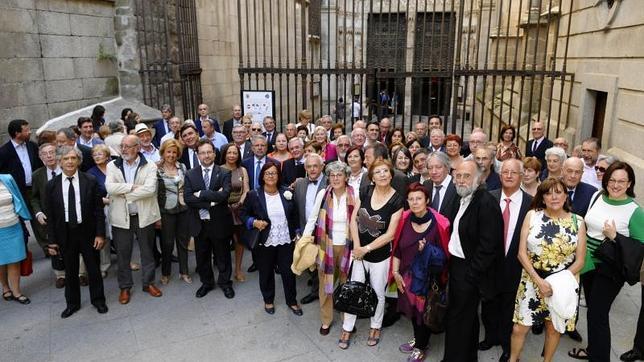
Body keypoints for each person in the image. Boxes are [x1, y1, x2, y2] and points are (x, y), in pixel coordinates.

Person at [569, 162, 644, 362]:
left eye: (622, 181)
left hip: (611, 268)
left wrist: (615, 236)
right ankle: (593, 350)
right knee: (593, 311)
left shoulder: (635, 211)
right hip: (588, 263)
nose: (616, 185)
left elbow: (639, 247)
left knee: (598, 314)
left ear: (629, 184)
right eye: (612, 180)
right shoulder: (597, 196)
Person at [510, 177, 587, 362]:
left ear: (565, 196)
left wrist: (556, 283)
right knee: (519, 328)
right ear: (542, 197)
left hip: (561, 285)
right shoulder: (532, 215)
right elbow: (521, 253)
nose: (553, 197)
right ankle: (513, 359)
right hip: (532, 280)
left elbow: (581, 260)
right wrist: (539, 281)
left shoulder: (578, 221)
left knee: (553, 328)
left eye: (558, 192)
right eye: (548, 193)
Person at [338, 159, 403, 349]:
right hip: (359, 253)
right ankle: (347, 327)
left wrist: (366, 249)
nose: (382, 175)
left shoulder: (397, 200)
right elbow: (353, 220)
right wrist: (358, 247)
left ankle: (375, 326)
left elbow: (390, 234)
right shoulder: (365, 191)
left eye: (385, 171)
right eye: (378, 172)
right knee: (353, 289)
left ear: (391, 174)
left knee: (377, 292)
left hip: (380, 256)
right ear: (372, 177)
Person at [443, 160, 504, 362]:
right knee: (466, 317)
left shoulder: (486, 203)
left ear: (479, 179)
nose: (461, 180)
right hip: (458, 264)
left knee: (458, 318)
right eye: (458, 176)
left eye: (466, 176)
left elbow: (489, 246)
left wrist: (472, 275)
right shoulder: (461, 198)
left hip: (470, 270)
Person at [45, 146, 107, 318]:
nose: (70, 162)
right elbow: (50, 215)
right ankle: (72, 303)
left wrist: (100, 234)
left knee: (94, 269)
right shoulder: (51, 186)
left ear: (79, 161)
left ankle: (98, 300)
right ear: (59, 162)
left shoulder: (90, 180)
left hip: (88, 232)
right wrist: (52, 241)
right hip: (66, 234)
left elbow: (98, 210)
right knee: (70, 271)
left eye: (73, 158)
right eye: (66, 159)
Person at [480, 159, 533, 362]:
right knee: (489, 304)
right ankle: (490, 337)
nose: (509, 176)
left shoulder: (532, 203)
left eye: (514, 172)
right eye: (505, 172)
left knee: (509, 308)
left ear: (521, 176)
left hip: (516, 264)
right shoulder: (488, 198)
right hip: (490, 264)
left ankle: (506, 344)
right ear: (500, 175)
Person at [391, 183, 450, 361]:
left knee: (423, 313)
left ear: (427, 201)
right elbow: (397, 249)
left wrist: (427, 251)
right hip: (406, 277)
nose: (415, 202)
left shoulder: (440, 223)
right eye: (411, 199)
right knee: (412, 311)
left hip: (428, 279)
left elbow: (445, 257)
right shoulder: (404, 219)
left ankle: (421, 346)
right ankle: (418, 338)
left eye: (419, 198)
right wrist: (395, 272)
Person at [300, 161, 356, 335]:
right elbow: (312, 218)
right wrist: (304, 240)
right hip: (326, 247)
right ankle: (326, 320)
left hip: (348, 248)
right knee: (326, 286)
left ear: (346, 177)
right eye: (332, 175)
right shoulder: (323, 194)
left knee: (347, 286)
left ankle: (348, 321)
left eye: (340, 175)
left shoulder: (354, 194)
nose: (336, 178)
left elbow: (359, 221)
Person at [106, 135, 162, 304]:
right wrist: (133, 187)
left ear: (137, 148)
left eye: (128, 146)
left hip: (144, 216)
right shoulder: (112, 165)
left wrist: (124, 194)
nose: (123, 149)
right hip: (120, 218)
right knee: (123, 254)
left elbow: (151, 190)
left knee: (147, 252)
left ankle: (148, 283)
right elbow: (109, 187)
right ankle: (125, 287)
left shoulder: (150, 165)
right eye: (122, 146)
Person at [240, 162, 302, 316]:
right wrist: (253, 222)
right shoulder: (254, 195)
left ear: (278, 176)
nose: (271, 176)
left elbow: (294, 215)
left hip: (286, 239)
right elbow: (243, 213)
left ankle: (292, 301)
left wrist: (297, 233)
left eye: (274, 173)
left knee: (288, 272)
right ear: (262, 176)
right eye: (267, 173)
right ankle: (268, 300)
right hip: (264, 240)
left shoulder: (286, 192)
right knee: (266, 272)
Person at [184, 140, 234, 299]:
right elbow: (188, 198)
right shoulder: (190, 174)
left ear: (214, 153)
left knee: (223, 255)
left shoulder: (224, 172)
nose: (206, 155)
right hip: (200, 224)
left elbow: (224, 195)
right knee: (202, 256)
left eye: (208, 152)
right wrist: (211, 201)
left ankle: (225, 283)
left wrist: (201, 194)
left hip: (219, 223)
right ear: (198, 155)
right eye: (202, 153)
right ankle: (207, 283)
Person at [156, 139, 191, 285]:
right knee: (167, 243)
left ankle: (184, 272)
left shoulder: (182, 167)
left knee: (183, 242)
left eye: (174, 152)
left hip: (183, 209)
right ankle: (166, 272)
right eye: (168, 152)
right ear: (163, 153)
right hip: (166, 210)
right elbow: (154, 193)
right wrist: (156, 216)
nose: (171, 155)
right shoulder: (156, 169)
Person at [294, 154, 327, 305]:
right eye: (309, 166)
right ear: (305, 168)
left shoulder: (329, 183)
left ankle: (318, 290)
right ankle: (315, 284)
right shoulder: (300, 184)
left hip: (324, 230)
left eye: (315, 166)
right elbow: (296, 208)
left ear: (322, 167)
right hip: (305, 228)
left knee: (322, 262)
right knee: (308, 258)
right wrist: (298, 231)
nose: (312, 169)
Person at [30, 143, 64, 287]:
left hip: (69, 213)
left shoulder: (66, 168)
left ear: (57, 154)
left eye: (52, 152)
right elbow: (34, 197)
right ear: (40, 157)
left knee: (73, 243)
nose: (49, 156)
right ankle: (60, 275)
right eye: (45, 153)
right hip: (50, 217)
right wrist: (38, 212)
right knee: (53, 244)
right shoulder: (37, 175)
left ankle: (80, 273)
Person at [220, 143, 250, 282]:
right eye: (229, 153)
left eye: (235, 153)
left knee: (239, 241)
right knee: (224, 242)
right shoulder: (219, 170)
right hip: (223, 209)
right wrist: (225, 204)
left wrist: (240, 203)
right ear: (225, 154)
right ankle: (225, 271)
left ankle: (238, 270)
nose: (232, 155)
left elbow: (246, 190)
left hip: (239, 209)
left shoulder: (242, 170)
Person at [0, 174, 31, 305]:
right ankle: (5, 288)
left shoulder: (7, 178)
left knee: (15, 260)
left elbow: (18, 198)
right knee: (1, 262)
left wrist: (24, 215)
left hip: (13, 227)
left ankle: (17, 292)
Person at [0, 119, 43, 204]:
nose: (30, 132)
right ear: (17, 133)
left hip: (36, 189)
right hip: (18, 193)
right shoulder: (4, 152)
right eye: (26, 130)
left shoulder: (32, 146)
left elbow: (40, 165)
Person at [87, 144, 113, 278]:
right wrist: (106, 201)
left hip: (119, 206)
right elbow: (91, 196)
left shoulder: (114, 167)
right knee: (106, 237)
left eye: (100, 154)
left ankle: (128, 261)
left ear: (107, 156)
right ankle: (104, 265)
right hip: (102, 209)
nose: (97, 157)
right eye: (94, 155)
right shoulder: (91, 173)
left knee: (123, 236)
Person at [424, 151, 461, 225]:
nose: (434, 172)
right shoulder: (426, 185)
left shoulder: (457, 186)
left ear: (447, 168)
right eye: (430, 168)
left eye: (438, 167)